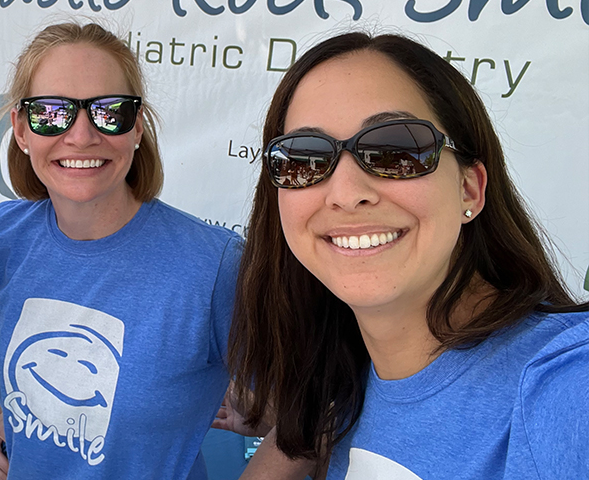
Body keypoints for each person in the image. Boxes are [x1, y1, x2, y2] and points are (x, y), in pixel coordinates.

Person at [226, 32, 588, 479]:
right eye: (304, 158)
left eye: (396, 149)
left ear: (468, 188)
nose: (345, 193)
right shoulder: (344, 380)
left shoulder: (563, 381)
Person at [0, 22, 243, 479]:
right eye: (52, 113)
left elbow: (308, 421)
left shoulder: (215, 265)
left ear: (137, 128)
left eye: (110, 112)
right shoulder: (1, 236)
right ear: (21, 130)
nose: (81, 136)